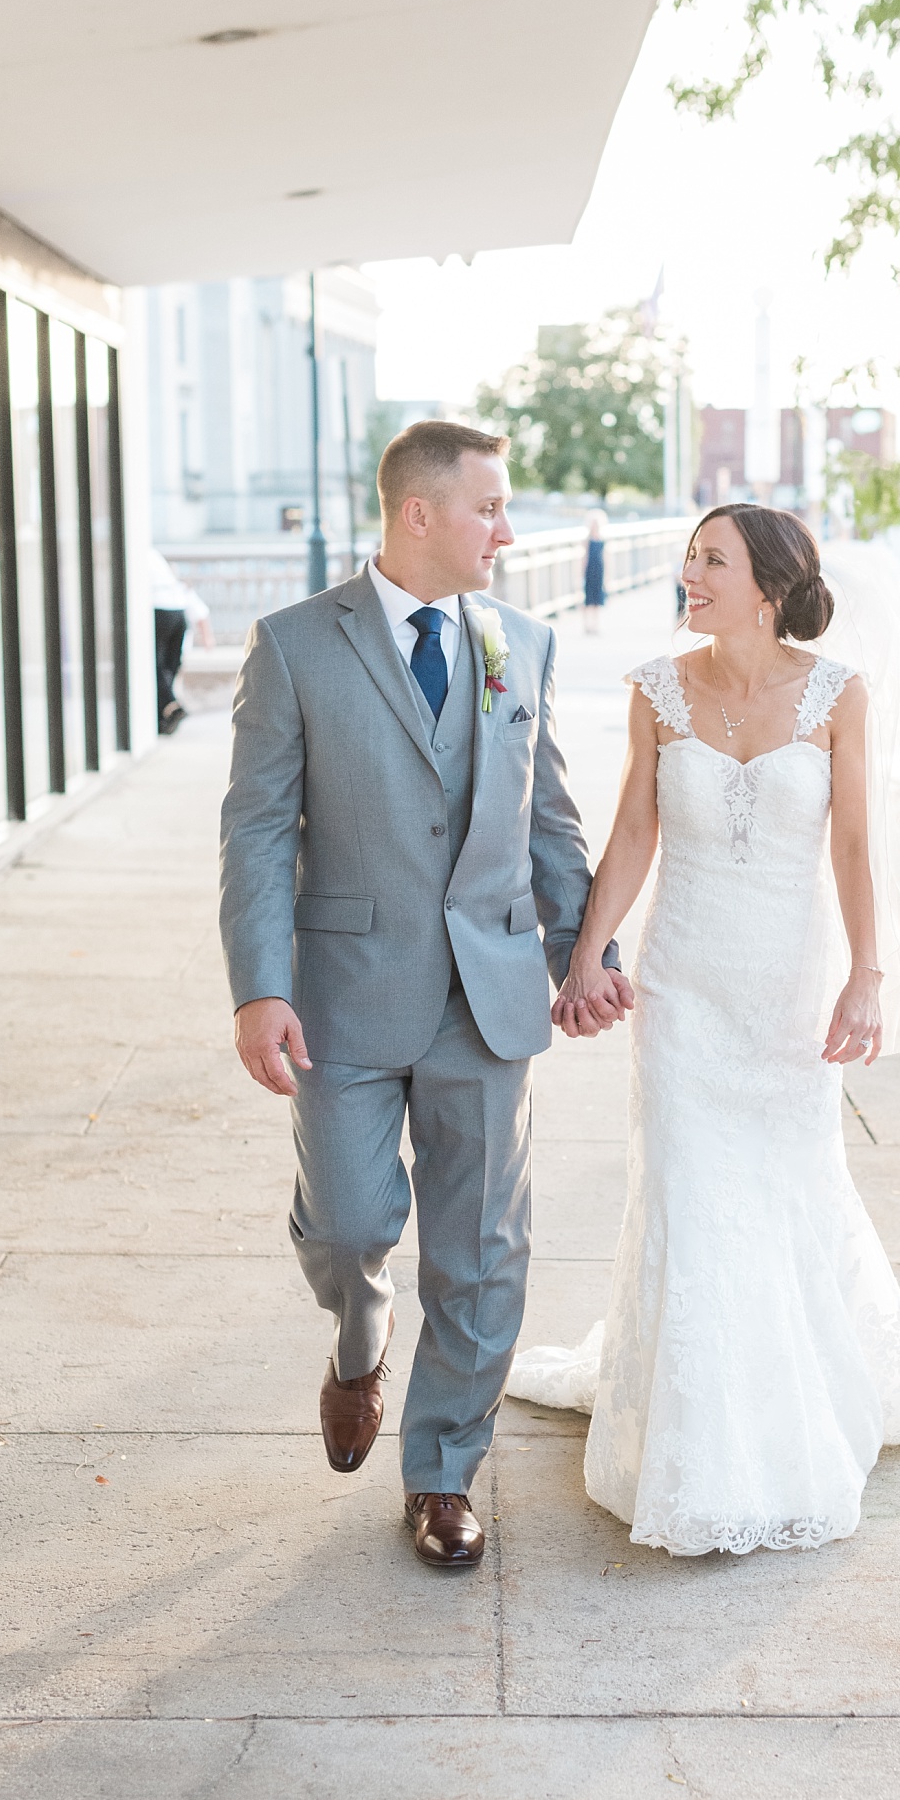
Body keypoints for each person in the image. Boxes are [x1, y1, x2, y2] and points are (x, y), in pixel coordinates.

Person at [508, 502, 900, 1556]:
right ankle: (692, 1450)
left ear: (765, 585)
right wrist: (586, 952)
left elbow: (852, 844)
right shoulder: (654, 690)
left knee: (781, 1194)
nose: (687, 574)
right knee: (687, 1193)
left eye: (708, 560)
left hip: (786, 991)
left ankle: (783, 1425)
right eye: (687, 559)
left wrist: (866, 975)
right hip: (680, 987)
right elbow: (632, 829)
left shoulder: (837, 695)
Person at [219, 422, 631, 1570]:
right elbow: (255, 829)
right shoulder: (297, 645)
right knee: (350, 1221)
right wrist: (259, 989)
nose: (508, 529)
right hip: (341, 996)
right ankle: (358, 1341)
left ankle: (441, 1471)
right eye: (490, 508)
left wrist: (582, 952)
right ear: (419, 514)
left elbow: (546, 821)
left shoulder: (524, 645)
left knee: (483, 1247)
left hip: (488, 994)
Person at [151, 549, 213, 735]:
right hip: (178, 611)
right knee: (169, 667)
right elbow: (202, 613)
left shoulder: (136, 552)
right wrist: (208, 638)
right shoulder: (155, 556)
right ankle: (165, 713)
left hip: (157, 609)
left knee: (155, 666)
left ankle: (170, 706)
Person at [582, 506, 607, 635]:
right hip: (589, 570)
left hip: (599, 570)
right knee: (588, 598)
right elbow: (584, 556)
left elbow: (605, 557)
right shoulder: (587, 540)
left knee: (598, 598)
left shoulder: (602, 539)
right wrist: (581, 572)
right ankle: (587, 624)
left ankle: (596, 624)